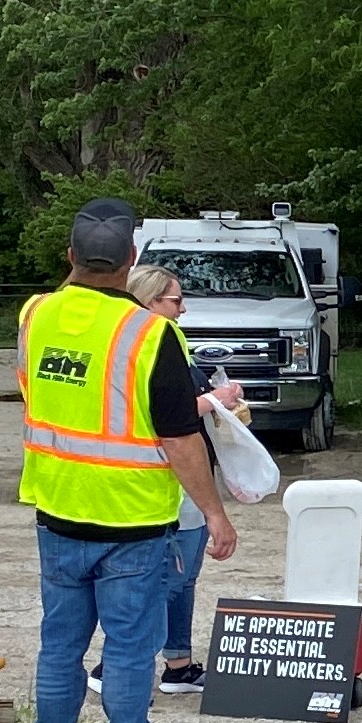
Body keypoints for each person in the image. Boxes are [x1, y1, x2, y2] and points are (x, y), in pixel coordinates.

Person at [19, 198, 238, 723]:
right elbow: (179, 437)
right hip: (132, 518)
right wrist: (214, 513)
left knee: (60, 644)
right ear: (132, 261)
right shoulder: (150, 333)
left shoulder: (35, 316)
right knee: (129, 647)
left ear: (69, 257)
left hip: (57, 507)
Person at [117, 262, 245, 696]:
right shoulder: (145, 345)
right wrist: (214, 400)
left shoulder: (171, 341)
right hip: (165, 481)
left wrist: (218, 403)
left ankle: (178, 663)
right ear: (150, 301)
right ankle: (112, 664)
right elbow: (167, 416)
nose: (184, 309)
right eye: (176, 300)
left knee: (183, 577)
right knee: (165, 579)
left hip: (184, 480)